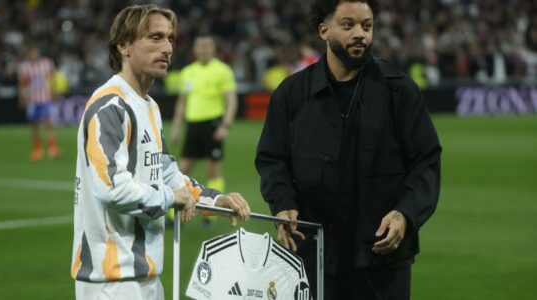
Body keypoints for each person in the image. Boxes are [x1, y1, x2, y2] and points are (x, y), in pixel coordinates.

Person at [255, 0, 441, 299]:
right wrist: (282, 201)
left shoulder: (400, 91)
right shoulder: (291, 94)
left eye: (367, 26)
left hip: (382, 260)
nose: (360, 34)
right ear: (324, 30)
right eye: (348, 25)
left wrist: (405, 214)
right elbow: (272, 159)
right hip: (313, 257)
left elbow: (426, 162)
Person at [70, 5, 251, 300]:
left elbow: (167, 173)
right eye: (155, 38)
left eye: (170, 39)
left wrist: (216, 200)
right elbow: (111, 188)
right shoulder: (110, 106)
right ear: (124, 46)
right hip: (111, 279)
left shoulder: (149, 107)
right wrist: (170, 199)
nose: (167, 48)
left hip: (146, 273)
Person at [169, 34, 238, 226]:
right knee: (182, 169)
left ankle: (210, 214)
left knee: (212, 169)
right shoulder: (187, 72)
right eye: (200, 46)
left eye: (208, 46)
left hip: (212, 124)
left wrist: (225, 125)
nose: (204, 49)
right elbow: (182, 103)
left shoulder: (222, 70)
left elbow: (231, 100)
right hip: (193, 125)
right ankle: (171, 215)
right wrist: (176, 128)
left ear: (214, 49)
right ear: (195, 49)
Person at [18, 43, 60, 160]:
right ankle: (37, 150)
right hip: (32, 99)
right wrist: (21, 97)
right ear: (29, 53)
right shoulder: (25, 66)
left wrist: (54, 92)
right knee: (34, 125)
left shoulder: (47, 63)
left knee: (48, 123)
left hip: (45, 98)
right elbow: (22, 83)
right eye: (32, 52)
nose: (34, 54)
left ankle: (53, 148)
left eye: (35, 52)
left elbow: (52, 79)